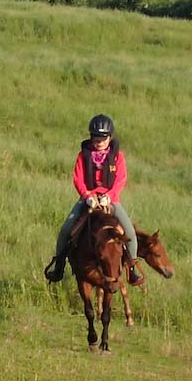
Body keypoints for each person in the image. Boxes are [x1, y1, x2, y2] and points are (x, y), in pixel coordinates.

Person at [44, 114, 143, 285]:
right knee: (66, 229)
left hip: (110, 200)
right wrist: (87, 196)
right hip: (88, 199)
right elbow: (78, 178)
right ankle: (59, 264)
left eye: (103, 138)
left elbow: (121, 179)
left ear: (109, 138)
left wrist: (109, 197)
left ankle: (131, 268)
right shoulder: (83, 156)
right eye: (96, 138)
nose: (99, 142)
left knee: (131, 234)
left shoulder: (118, 157)